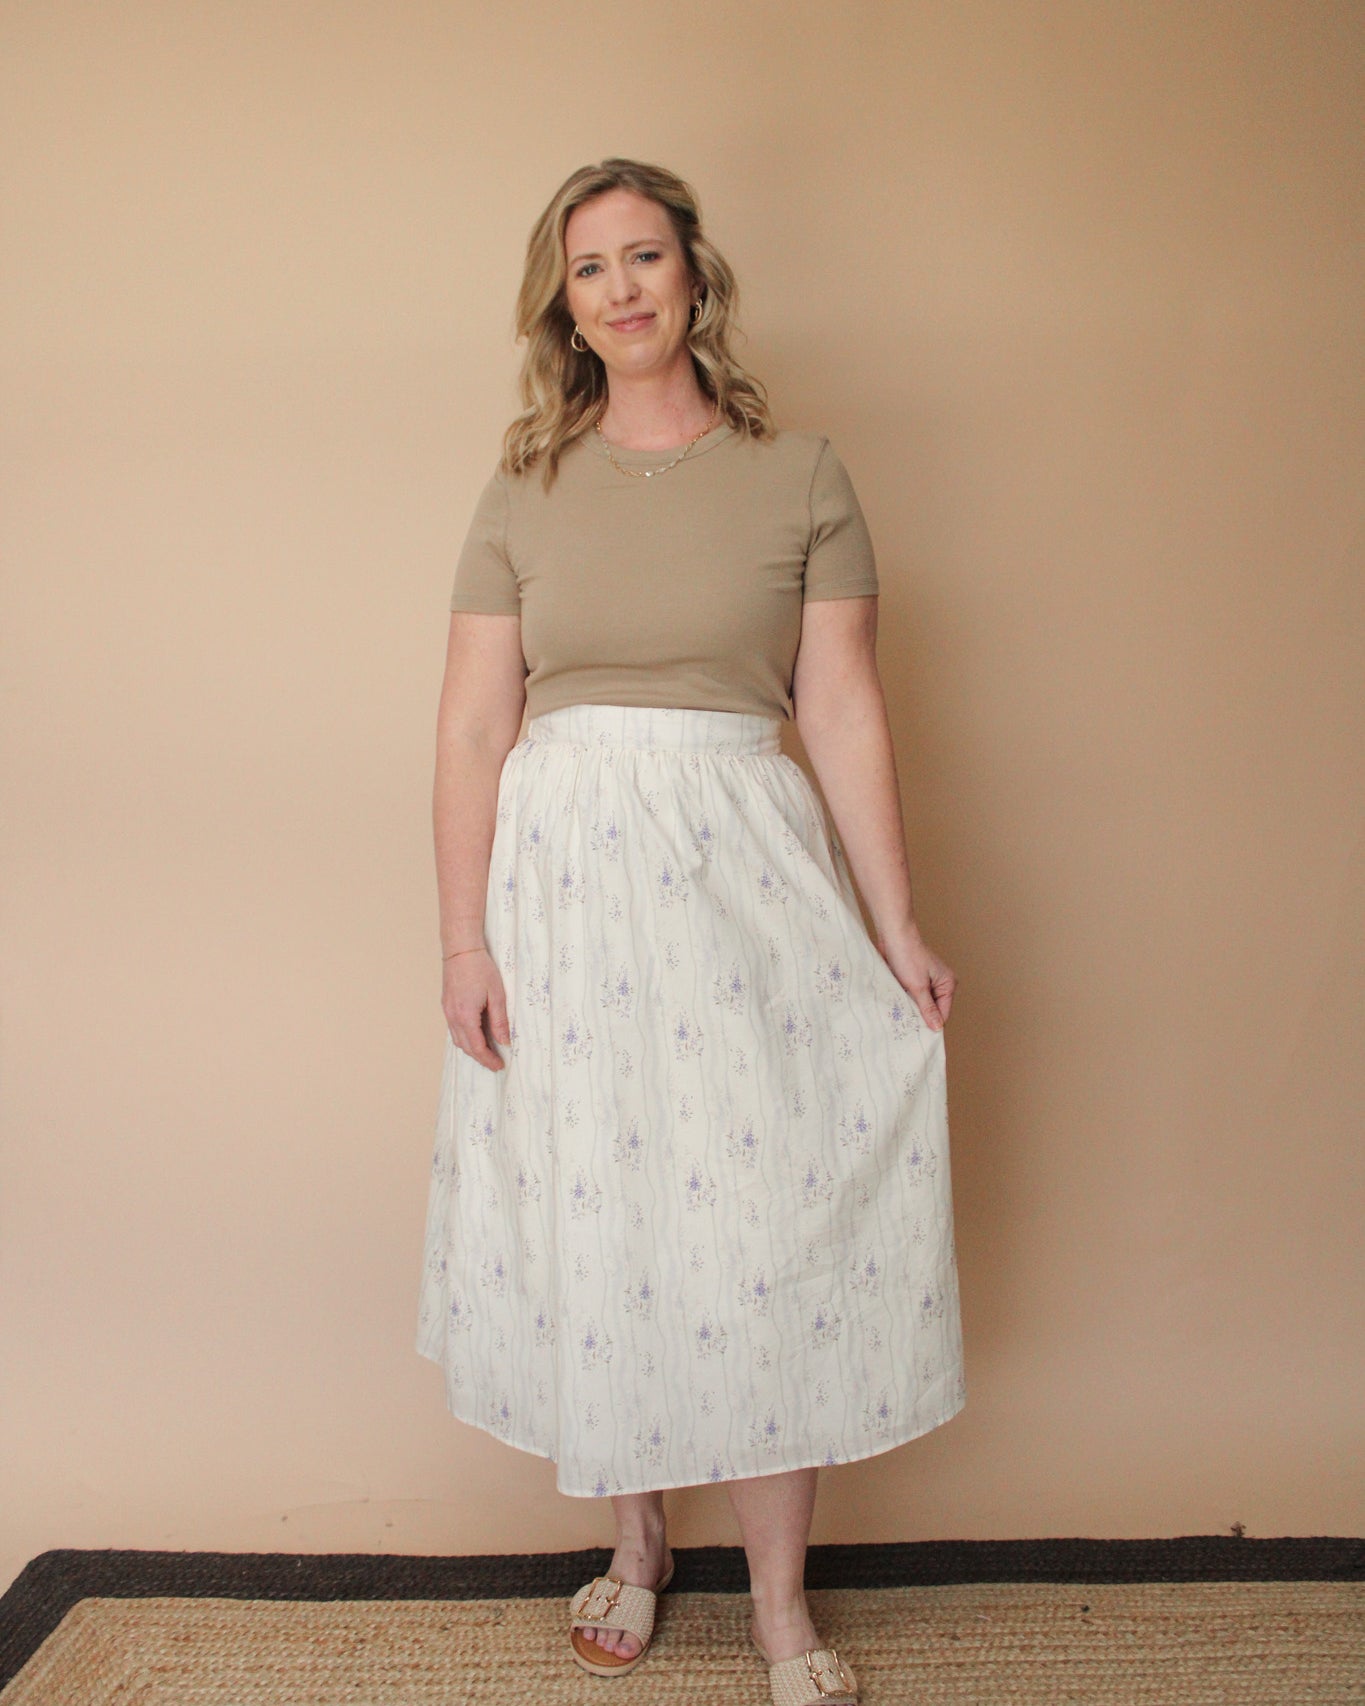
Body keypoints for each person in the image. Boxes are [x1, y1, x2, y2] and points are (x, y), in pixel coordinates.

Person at [416, 157, 966, 1706]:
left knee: (760, 1229)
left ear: (693, 275)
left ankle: (779, 1604)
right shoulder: (520, 487)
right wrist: (462, 941)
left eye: (643, 255)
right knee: (607, 1216)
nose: (621, 288)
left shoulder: (800, 474)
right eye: (588, 266)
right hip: (562, 893)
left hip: (744, 881)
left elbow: (839, 709)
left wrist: (895, 922)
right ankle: (638, 1538)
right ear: (563, 305)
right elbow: (472, 727)